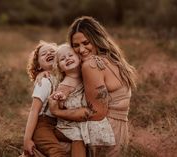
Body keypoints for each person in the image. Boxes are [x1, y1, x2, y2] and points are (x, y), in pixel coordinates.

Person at [49, 16, 137, 156]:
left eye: (86, 43)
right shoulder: (113, 60)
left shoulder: (91, 65)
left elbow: (97, 113)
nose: (82, 50)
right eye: (76, 46)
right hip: (120, 132)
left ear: (96, 39)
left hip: (104, 134)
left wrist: (57, 112)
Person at [50, 43, 115, 157]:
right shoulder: (66, 83)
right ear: (59, 67)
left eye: (70, 55)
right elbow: (61, 95)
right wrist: (60, 97)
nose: (68, 59)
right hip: (69, 124)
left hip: (82, 118)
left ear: (79, 58)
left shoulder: (85, 73)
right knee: (78, 137)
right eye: (62, 59)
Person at [23, 40, 67, 157]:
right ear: (38, 65)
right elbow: (34, 111)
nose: (49, 53)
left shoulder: (66, 78)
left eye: (52, 51)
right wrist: (27, 139)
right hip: (43, 124)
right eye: (44, 54)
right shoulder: (45, 81)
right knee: (58, 152)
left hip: (59, 123)